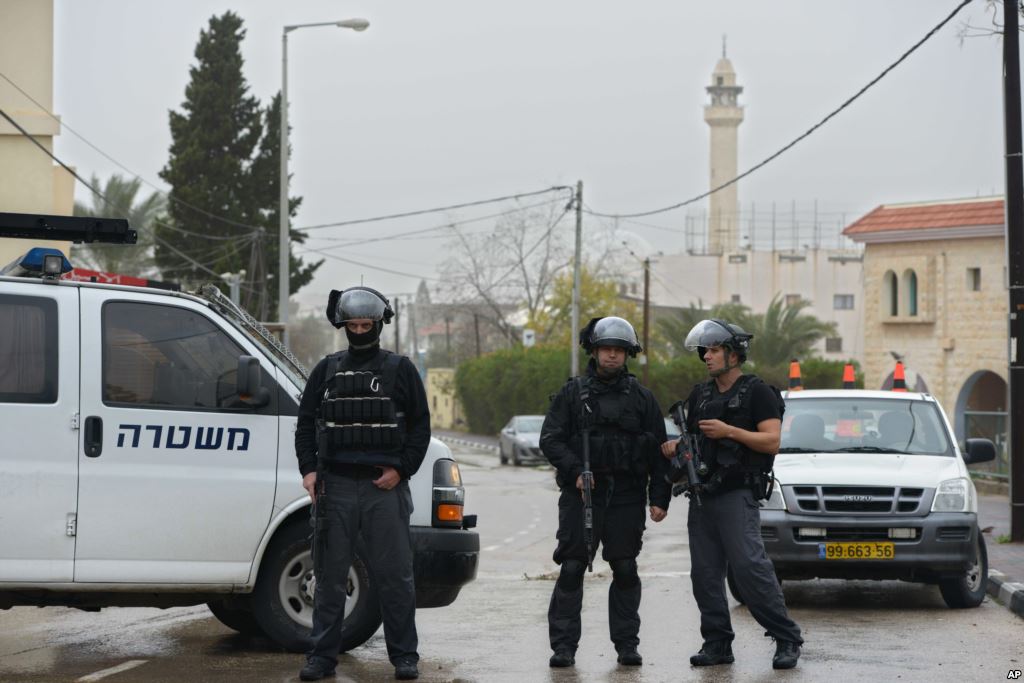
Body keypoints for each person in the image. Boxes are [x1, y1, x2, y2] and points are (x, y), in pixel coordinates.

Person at [295, 287, 430, 681]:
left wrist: (401, 470)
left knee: (396, 578)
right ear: (343, 325)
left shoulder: (400, 370)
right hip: (334, 487)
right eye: (352, 325)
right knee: (329, 579)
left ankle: (405, 656)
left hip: (383, 488)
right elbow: (305, 426)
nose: (358, 331)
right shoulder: (327, 369)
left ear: (378, 324)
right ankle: (321, 657)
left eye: (365, 324)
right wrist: (309, 471)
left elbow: (420, 428)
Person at [661, 319, 803, 670]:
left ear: (734, 354)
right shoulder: (701, 394)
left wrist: (730, 431)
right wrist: (676, 448)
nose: (706, 356)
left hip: (737, 494)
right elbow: (695, 442)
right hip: (702, 496)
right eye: (704, 350)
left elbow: (771, 441)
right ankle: (717, 643)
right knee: (705, 575)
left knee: (750, 569)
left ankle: (786, 638)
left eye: (713, 350)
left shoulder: (758, 392)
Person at [540, 316, 671, 669]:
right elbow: (550, 439)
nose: (612, 356)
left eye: (618, 351)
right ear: (594, 352)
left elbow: (660, 451)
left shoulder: (642, 399)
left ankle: (627, 644)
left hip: (626, 495)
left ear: (627, 355)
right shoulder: (572, 394)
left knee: (625, 567)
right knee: (571, 568)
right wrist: (574, 471)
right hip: (582, 496)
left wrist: (660, 497)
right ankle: (563, 647)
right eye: (606, 350)